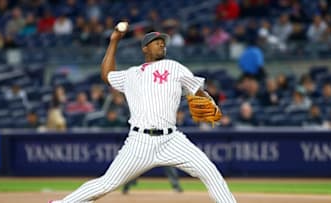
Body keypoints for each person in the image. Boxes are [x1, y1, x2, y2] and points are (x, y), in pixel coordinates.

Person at [49, 27, 236, 203]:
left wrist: (208, 102)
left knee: (210, 172)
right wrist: (114, 41)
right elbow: (107, 75)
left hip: (172, 139)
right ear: (145, 48)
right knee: (107, 184)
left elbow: (197, 90)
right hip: (139, 141)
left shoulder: (174, 67)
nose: (162, 43)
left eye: (163, 41)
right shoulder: (131, 75)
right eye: (156, 41)